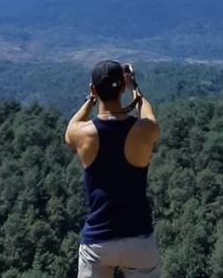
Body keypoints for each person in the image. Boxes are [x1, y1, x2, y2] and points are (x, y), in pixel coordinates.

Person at [64, 60, 161, 278]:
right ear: (123, 88)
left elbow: (69, 129)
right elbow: (149, 116)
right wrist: (136, 89)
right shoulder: (143, 131)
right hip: (139, 239)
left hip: (98, 240)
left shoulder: (83, 134)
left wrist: (90, 100)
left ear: (94, 89)